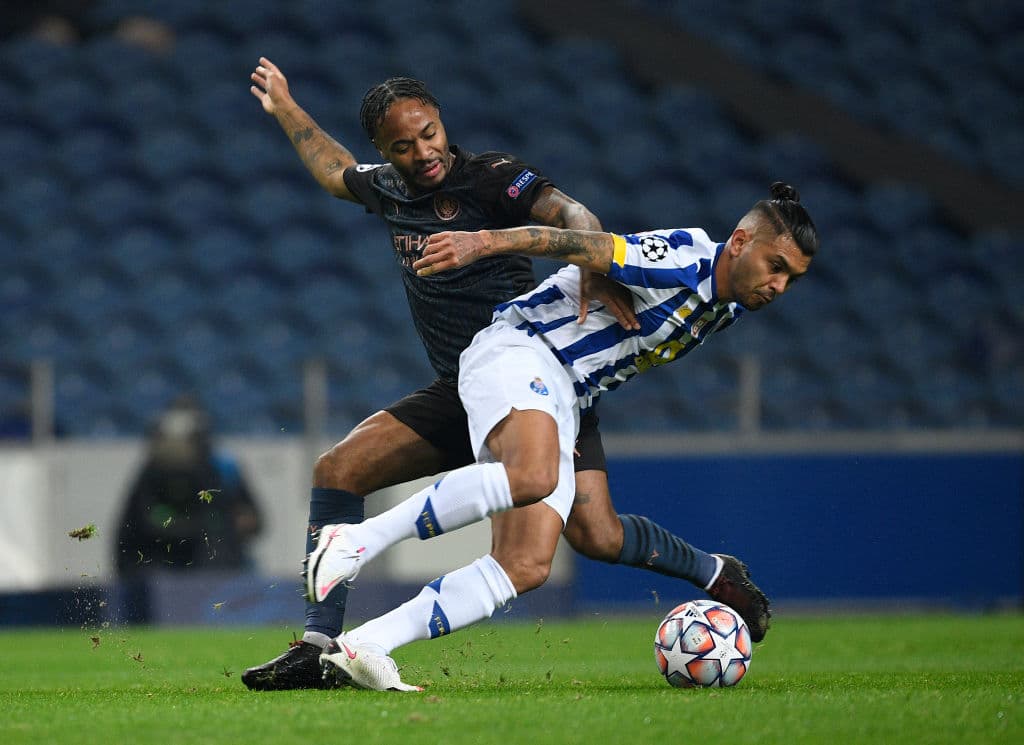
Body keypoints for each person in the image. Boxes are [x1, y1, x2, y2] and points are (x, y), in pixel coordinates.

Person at [243, 59, 769, 690]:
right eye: (404, 146)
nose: (424, 152)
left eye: (430, 133)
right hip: (466, 384)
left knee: (595, 536)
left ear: (443, 124)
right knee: (339, 470)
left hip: (540, 377)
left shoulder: (491, 178)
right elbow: (334, 173)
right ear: (385, 151)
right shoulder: (388, 189)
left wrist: (594, 262)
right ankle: (319, 646)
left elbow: (571, 213)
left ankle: (714, 573)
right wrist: (287, 107)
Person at [309, 181, 817, 691]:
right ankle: (354, 541)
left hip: (568, 393)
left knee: (528, 563)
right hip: (523, 351)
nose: (778, 286)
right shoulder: (679, 261)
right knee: (531, 476)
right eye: (776, 267)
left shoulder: (724, 307)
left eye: (791, 279)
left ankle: (365, 645)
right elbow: (578, 243)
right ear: (739, 242)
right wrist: (482, 242)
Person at [115, 395, 263, 620]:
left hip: (212, 563)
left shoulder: (224, 469)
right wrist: (192, 526)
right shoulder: (151, 473)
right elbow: (140, 526)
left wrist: (236, 523)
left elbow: (254, 520)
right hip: (158, 563)